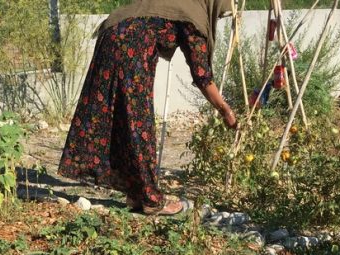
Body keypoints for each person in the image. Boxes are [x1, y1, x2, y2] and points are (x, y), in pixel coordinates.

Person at [59, 0, 238, 216]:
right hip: (131, 46)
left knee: (121, 117)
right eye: (219, 13)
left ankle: (136, 194)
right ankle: (151, 200)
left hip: (111, 35)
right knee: (138, 122)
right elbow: (201, 74)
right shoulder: (193, 17)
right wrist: (224, 108)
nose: (217, 18)